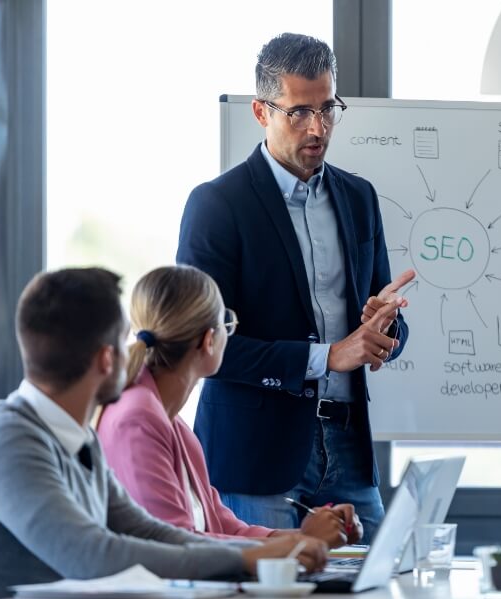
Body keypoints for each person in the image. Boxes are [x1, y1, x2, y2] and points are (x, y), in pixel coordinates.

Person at [0, 268, 326, 599]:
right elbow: (92, 555)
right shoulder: (6, 440)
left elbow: (148, 530)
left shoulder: (77, 438)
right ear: (105, 358)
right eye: (124, 338)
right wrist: (246, 560)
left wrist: (265, 552)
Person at [176, 32, 414, 542]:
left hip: (348, 443)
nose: (318, 127)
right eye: (299, 112)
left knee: (374, 584)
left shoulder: (358, 198)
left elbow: (380, 322)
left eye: (328, 109)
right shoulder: (218, 207)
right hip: (255, 452)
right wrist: (328, 356)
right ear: (262, 112)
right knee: (271, 590)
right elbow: (206, 347)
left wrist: (386, 332)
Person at [98, 265, 363, 547]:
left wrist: (306, 538)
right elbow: (176, 547)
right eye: (229, 325)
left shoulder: (171, 421)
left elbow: (226, 528)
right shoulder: (138, 418)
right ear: (209, 340)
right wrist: (299, 545)